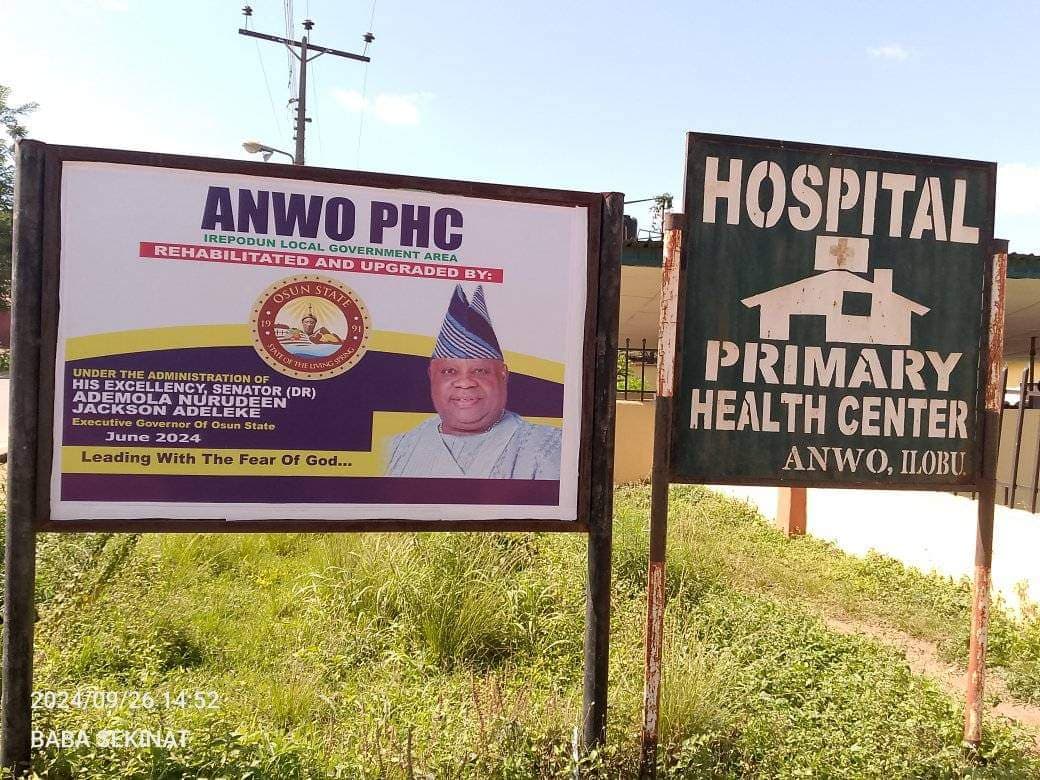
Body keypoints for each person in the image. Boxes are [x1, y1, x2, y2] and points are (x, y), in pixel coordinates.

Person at [385, 284, 561, 479]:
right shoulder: (400, 446)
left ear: (503, 375)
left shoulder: (551, 446)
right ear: (432, 375)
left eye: (480, 370)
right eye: (449, 371)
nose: (465, 382)